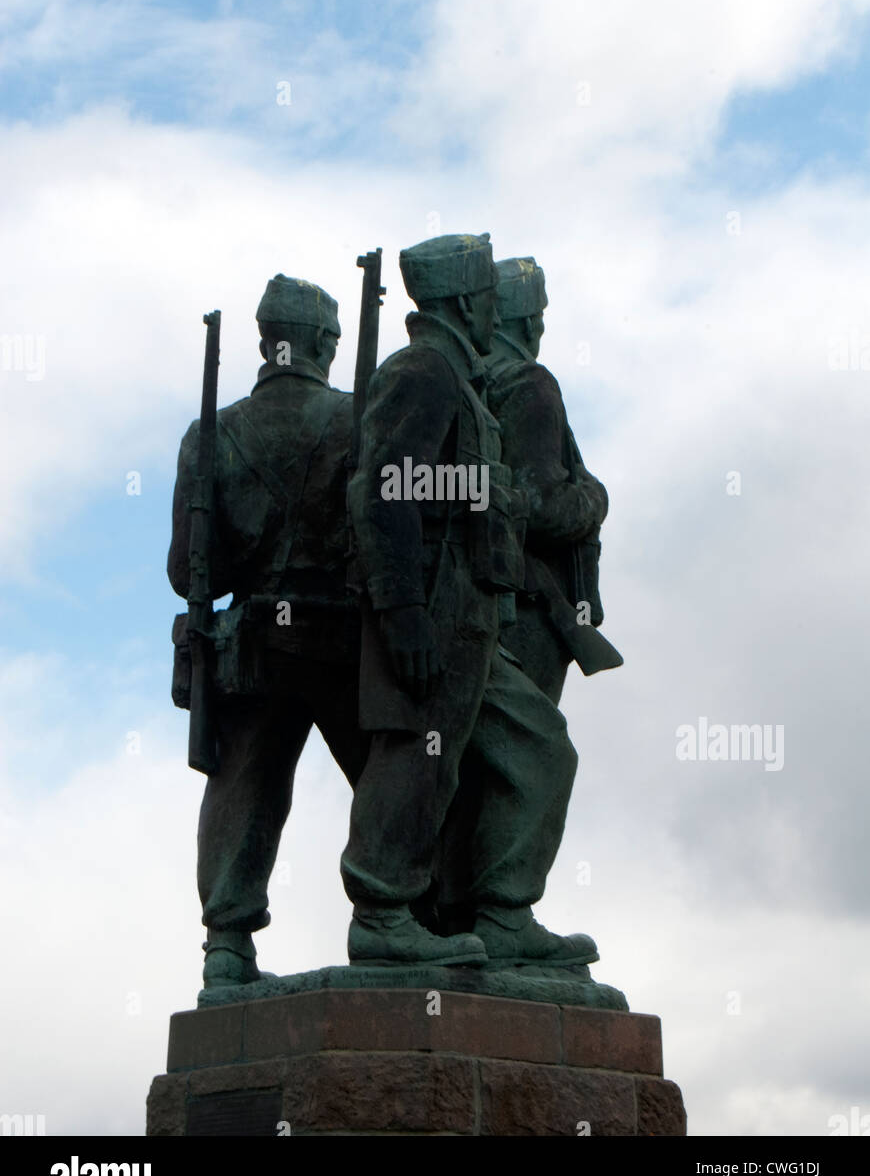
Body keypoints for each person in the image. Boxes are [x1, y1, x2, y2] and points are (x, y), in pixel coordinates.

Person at [340, 233, 598, 966]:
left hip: (475, 612)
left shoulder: (460, 377)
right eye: (488, 299)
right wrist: (403, 613)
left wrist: (496, 497)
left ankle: (504, 910)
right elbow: (382, 488)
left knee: (540, 752)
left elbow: (450, 485)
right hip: (431, 608)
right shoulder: (425, 371)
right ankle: (382, 911)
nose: (498, 314)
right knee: (416, 757)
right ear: (462, 301)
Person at [168, 276, 368, 987]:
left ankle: (227, 941)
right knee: (387, 777)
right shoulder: (359, 418)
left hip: (252, 645)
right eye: (335, 338)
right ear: (319, 342)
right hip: (341, 640)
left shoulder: (213, 433)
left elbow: (188, 572)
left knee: (243, 789)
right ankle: (395, 916)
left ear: (264, 342)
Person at [485, 256, 620, 703]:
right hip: (529, 604)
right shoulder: (527, 382)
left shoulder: (469, 377)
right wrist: (595, 498)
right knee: (531, 758)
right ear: (529, 321)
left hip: (487, 599)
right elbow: (541, 506)